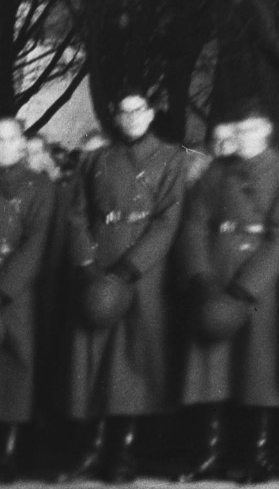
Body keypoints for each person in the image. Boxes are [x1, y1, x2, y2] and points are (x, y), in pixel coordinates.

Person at [63, 90, 188, 484]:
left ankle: (124, 451)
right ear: (116, 117)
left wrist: (132, 267)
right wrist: (85, 263)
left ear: (150, 115)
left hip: (141, 269)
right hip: (100, 263)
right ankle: (92, 448)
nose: (132, 117)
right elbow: (77, 214)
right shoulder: (95, 159)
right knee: (96, 357)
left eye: (139, 110)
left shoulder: (171, 158)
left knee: (131, 362)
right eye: (124, 111)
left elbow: (168, 220)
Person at [174, 102, 279, 484]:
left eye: (247, 132)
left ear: (265, 131)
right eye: (236, 132)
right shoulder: (217, 169)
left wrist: (246, 288)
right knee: (211, 366)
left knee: (255, 371)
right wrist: (202, 276)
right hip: (216, 269)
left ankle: (256, 456)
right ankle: (210, 454)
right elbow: (195, 222)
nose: (239, 139)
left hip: (256, 280)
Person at [0, 115, 54, 484]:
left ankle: (9, 451)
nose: (2, 146)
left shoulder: (39, 186)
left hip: (14, 291)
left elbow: (36, 244)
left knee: (16, 367)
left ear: (22, 144)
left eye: (8, 139)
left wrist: (6, 287)